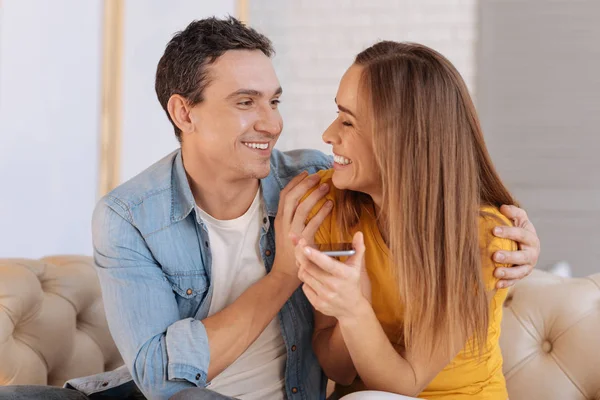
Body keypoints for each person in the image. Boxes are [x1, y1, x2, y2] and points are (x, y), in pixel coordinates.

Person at [0, 19, 540, 400]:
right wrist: (290, 276)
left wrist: (523, 240)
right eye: (245, 102)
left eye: (274, 101)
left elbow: (436, 186)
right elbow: (160, 379)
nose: (274, 123)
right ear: (183, 112)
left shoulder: (313, 187)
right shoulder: (131, 218)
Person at [292, 41, 537, 400]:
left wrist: (356, 308)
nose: (329, 135)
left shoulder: (483, 238)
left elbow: (404, 386)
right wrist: (348, 304)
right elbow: (338, 370)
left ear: (402, 139)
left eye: (348, 121)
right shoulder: (331, 206)